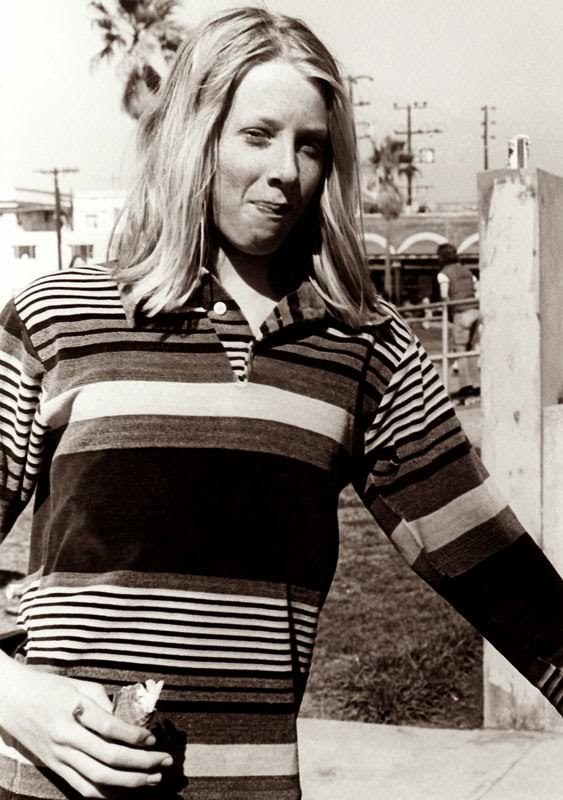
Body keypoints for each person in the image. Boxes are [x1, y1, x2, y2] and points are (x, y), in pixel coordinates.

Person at [2, 8, 563, 799]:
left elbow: (499, 573)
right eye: (257, 134)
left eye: (309, 146)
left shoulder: (365, 348)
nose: (286, 171)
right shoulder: (59, 317)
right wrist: (11, 694)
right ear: (197, 137)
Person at [436, 242, 481, 403]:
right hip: (475, 311)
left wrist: (449, 313)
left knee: (460, 350)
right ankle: (477, 386)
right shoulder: (468, 271)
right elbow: (477, 289)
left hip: (460, 312)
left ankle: (465, 387)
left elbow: (444, 295)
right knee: (471, 351)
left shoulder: (444, 274)